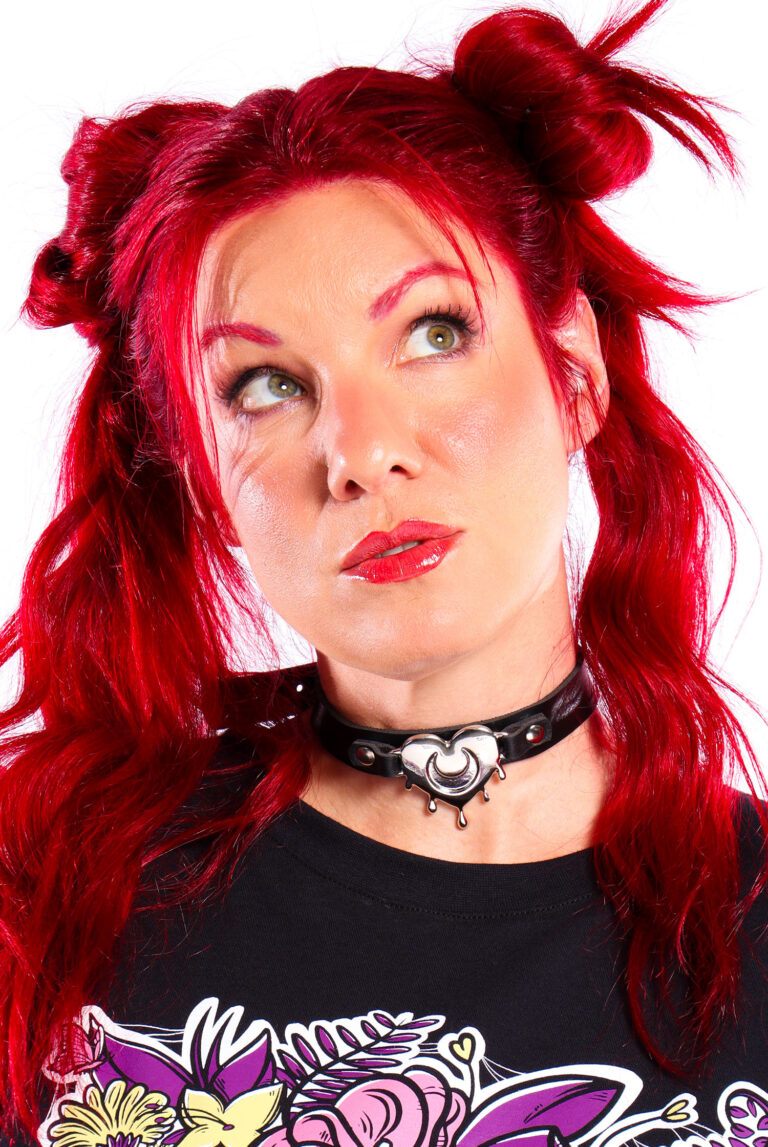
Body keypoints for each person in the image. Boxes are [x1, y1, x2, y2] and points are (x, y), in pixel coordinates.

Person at [1, 0, 767, 1145]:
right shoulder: (48, 891)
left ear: (574, 373)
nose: (360, 452)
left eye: (432, 333)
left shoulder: (755, 925)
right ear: (203, 482)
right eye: (266, 386)